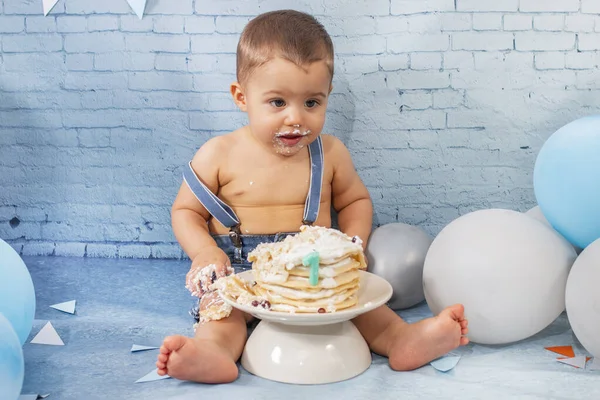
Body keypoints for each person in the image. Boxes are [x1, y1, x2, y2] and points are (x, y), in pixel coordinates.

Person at [156, 9, 468, 383]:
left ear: (327, 96)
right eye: (277, 103)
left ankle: (401, 339)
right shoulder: (219, 153)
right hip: (241, 270)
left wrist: (352, 244)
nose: (295, 118)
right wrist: (205, 251)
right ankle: (214, 353)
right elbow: (185, 210)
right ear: (242, 96)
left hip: (315, 268)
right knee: (222, 312)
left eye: (311, 103)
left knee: (358, 303)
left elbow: (355, 202)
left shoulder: (330, 153)